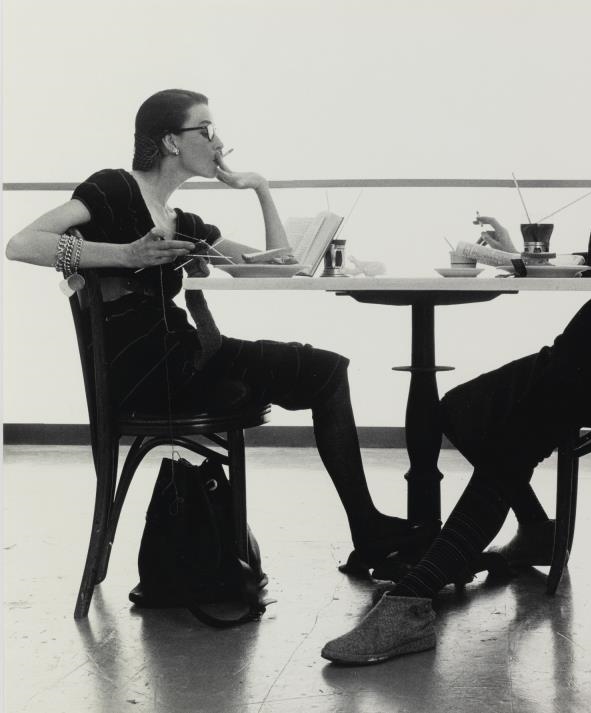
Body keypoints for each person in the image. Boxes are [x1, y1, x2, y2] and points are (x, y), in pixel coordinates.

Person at [321, 51, 591, 665]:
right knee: (459, 409)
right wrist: (515, 256)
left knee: (509, 444)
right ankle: (537, 531)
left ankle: (413, 603)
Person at [5, 88, 429, 573]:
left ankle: (368, 530)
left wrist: (260, 188)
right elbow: (21, 244)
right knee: (319, 374)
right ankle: (369, 532)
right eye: (206, 130)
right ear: (171, 141)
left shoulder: (182, 222)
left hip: (185, 357)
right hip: (151, 373)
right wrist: (126, 254)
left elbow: (280, 269)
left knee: (326, 370)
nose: (219, 143)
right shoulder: (114, 189)